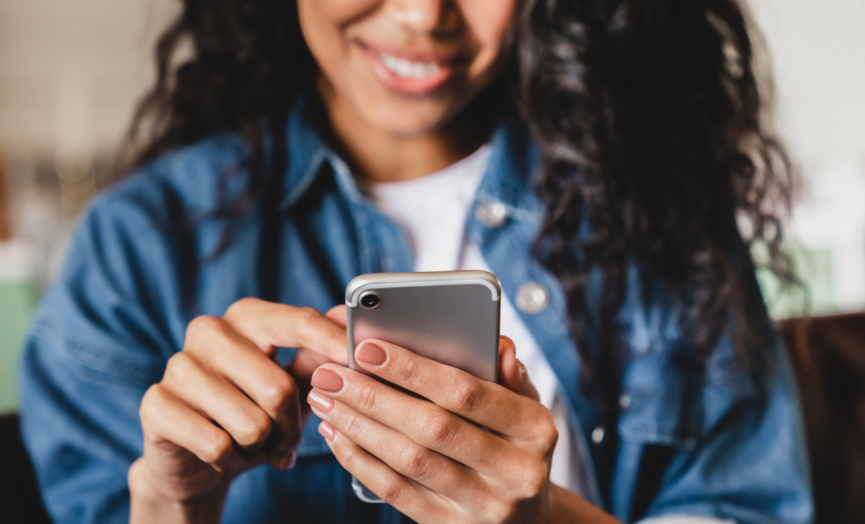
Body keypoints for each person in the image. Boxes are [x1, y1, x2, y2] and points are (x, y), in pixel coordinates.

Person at [19, 0, 814, 523]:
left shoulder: (656, 206)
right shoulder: (140, 244)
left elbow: (744, 502)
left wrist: (543, 518)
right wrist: (166, 503)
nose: (420, 14)